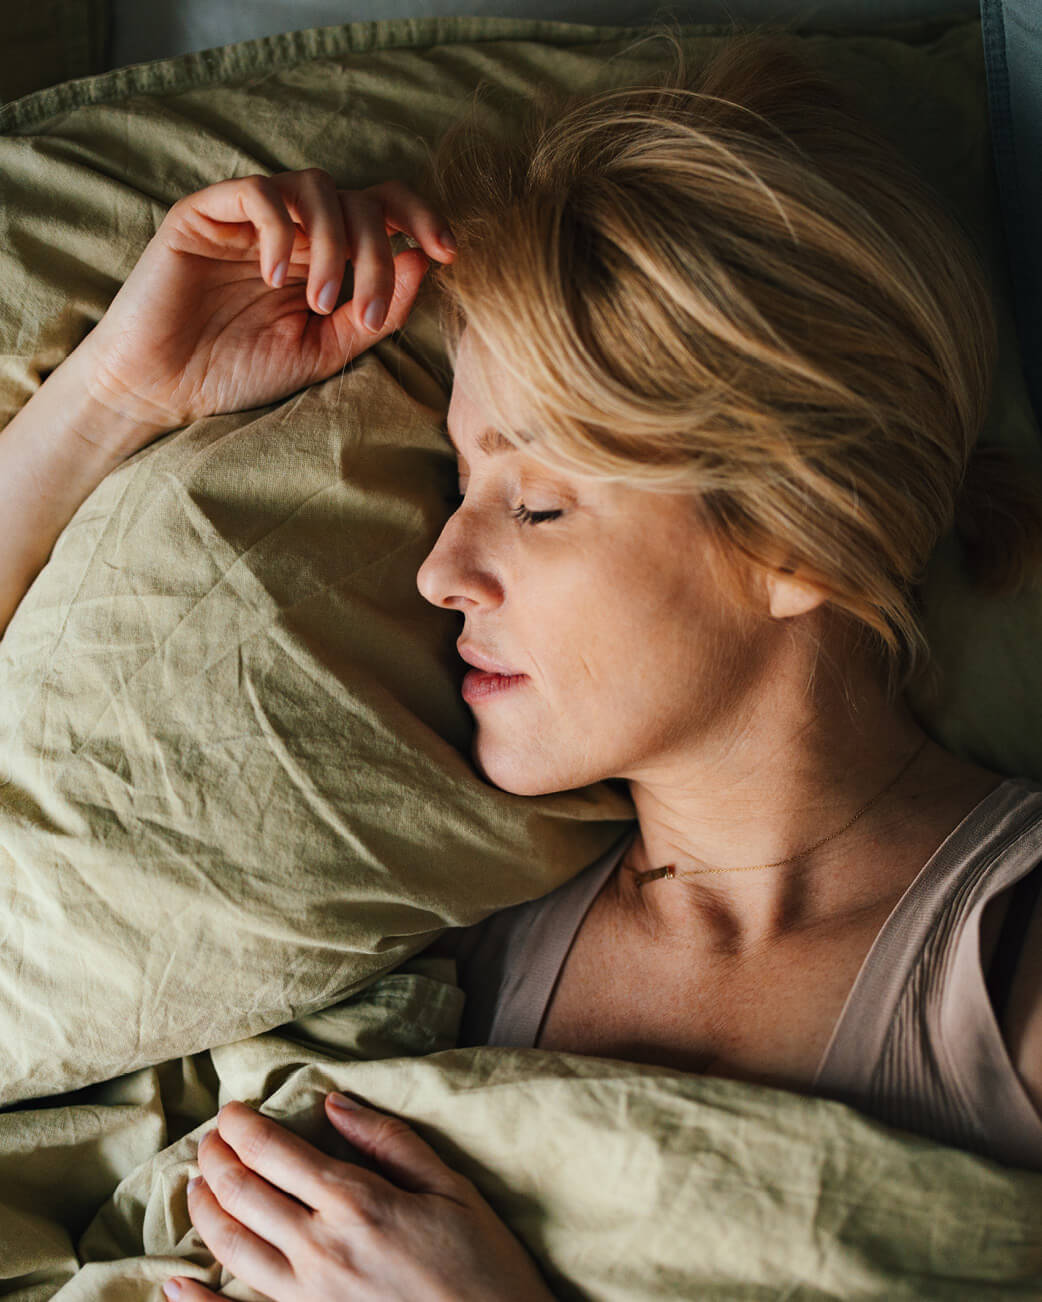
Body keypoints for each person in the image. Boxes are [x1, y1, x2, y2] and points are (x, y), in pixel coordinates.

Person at [3, 24, 1042, 1302]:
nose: (441, 569)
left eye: (538, 506)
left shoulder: (1007, 964)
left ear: (796, 538)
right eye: (460, 480)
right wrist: (115, 394)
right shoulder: (445, 901)